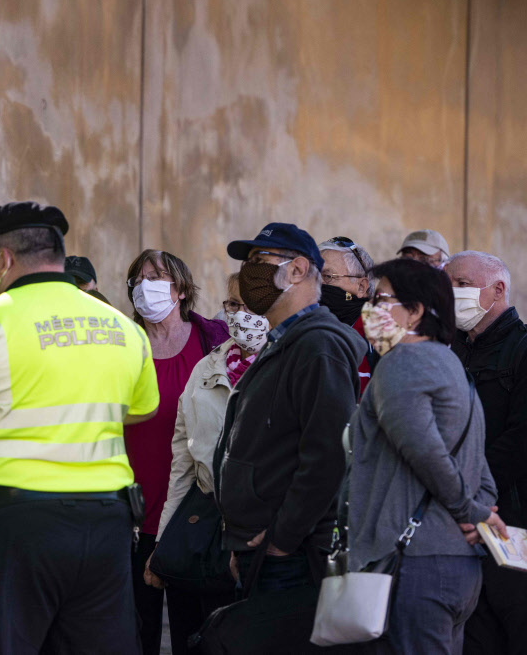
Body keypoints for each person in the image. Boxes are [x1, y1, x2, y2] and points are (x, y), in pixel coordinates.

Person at [0, 201, 160, 654]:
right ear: (58, 257)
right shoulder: (123, 329)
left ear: (4, 259)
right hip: (107, 525)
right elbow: (142, 409)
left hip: (16, 526)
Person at [347, 258, 506, 654]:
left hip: (414, 563)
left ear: (416, 311)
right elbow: (477, 463)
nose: (370, 310)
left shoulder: (401, 363)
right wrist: (478, 512)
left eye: (381, 299)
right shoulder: (451, 364)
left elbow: (424, 450)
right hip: (456, 565)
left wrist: (473, 512)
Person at [214, 223, 365, 637]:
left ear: (298, 270)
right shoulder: (287, 341)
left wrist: (281, 539)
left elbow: (329, 455)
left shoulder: (318, 345)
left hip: (288, 557)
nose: (249, 273)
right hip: (258, 548)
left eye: (260, 262)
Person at [122, 249, 228, 654]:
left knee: (194, 630)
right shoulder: (122, 342)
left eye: (156, 276)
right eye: (138, 278)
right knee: (136, 628)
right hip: (133, 508)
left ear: (181, 288)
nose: (145, 286)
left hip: (193, 510)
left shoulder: (213, 341)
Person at [144, 274, 265, 624]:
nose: (241, 314)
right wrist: (163, 545)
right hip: (203, 531)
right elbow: (181, 466)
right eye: (233, 305)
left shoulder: (285, 364)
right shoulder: (204, 369)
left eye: (250, 305)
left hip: (260, 537)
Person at [443, 251, 527, 654]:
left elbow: (521, 439)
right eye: (447, 285)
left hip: (510, 525)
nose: (451, 293)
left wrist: (475, 497)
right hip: (456, 526)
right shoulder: (447, 350)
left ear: (497, 290)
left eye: (462, 284)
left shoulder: (523, 351)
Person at [318, 236, 376, 393]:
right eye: (314, 277)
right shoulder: (302, 328)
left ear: (361, 287)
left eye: (328, 277)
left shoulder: (380, 336)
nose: (318, 286)